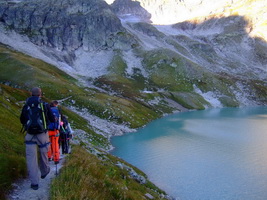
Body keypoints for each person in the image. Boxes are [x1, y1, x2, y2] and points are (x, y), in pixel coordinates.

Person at [20, 87, 55, 190]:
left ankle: (34, 183)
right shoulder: (44, 104)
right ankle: (44, 171)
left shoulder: (26, 105)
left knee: (31, 159)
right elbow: (52, 119)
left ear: (31, 94)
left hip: (30, 135)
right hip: (42, 134)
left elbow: (22, 119)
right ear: (40, 94)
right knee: (44, 153)